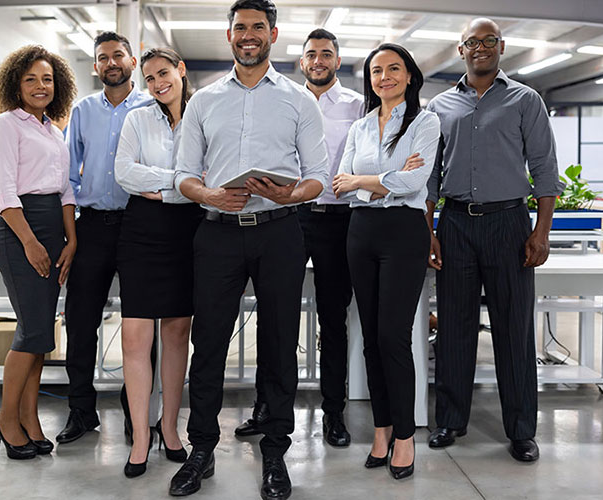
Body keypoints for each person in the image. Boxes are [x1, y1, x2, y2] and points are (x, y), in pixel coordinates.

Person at [168, 1, 329, 498]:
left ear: (273, 34)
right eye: (240, 27)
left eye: (258, 27)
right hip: (217, 231)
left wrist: (290, 193)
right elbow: (182, 177)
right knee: (210, 342)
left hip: (279, 230)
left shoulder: (300, 101)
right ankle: (201, 449)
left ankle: (276, 452)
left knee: (280, 342)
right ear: (230, 35)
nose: (248, 35)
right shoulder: (204, 101)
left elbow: (319, 177)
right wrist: (212, 193)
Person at [425, 18, 563, 462]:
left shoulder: (526, 100)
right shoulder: (439, 106)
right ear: (460, 49)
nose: (480, 48)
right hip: (457, 223)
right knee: (453, 326)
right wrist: (429, 231)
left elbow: (544, 168)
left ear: (501, 47)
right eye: (472, 42)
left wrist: (541, 231)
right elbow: (429, 177)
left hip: (509, 223)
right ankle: (450, 419)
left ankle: (521, 428)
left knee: (514, 326)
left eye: (488, 41)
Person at [233, 28, 363, 449]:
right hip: (288, 214)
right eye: (311, 55)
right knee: (276, 315)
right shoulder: (285, 99)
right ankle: (265, 408)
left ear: (337, 61)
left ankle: (334, 414)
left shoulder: (358, 105)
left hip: (337, 221)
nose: (319, 60)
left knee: (332, 318)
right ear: (302, 61)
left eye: (327, 54)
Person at [333, 43, 439, 480]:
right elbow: (340, 182)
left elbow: (416, 182)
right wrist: (381, 182)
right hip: (361, 232)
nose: (384, 77)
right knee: (371, 339)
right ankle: (382, 429)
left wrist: (366, 180)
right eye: (377, 71)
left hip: (403, 234)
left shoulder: (425, 121)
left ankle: (406, 437)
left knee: (394, 337)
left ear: (409, 75)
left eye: (393, 68)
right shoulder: (359, 127)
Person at [57, 32, 153, 444]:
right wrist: (71, 231)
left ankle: (137, 415)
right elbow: (67, 175)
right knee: (80, 322)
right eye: (103, 58)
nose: (111, 62)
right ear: (95, 66)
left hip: (141, 225)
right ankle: (81, 411)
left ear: (132, 60)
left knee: (140, 325)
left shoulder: (152, 106)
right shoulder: (82, 111)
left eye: (118, 55)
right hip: (93, 225)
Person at [114, 47, 203, 478]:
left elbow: (209, 175)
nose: (156, 84)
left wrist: (163, 184)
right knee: (134, 337)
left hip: (187, 230)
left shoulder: (203, 113)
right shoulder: (137, 117)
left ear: (180, 71)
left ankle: (169, 428)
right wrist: (177, 182)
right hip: (141, 231)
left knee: (176, 332)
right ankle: (141, 438)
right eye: (149, 78)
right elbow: (124, 173)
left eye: (162, 73)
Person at [0, 45, 78, 459]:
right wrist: (29, 241)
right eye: (31, 79)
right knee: (31, 332)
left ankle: (29, 417)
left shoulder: (53, 129)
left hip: (52, 228)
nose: (41, 86)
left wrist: (70, 238)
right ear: (15, 85)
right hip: (18, 229)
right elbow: (2, 191)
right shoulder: (6, 125)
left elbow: (65, 190)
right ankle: (6, 419)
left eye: (47, 79)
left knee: (41, 334)